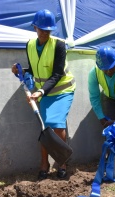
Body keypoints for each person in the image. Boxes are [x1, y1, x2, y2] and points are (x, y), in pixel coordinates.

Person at [11, 9, 76, 180]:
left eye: (48, 30)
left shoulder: (59, 45)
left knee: (57, 124)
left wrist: (39, 91)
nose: (45, 33)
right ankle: (44, 163)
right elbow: (33, 69)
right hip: (45, 94)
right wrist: (20, 71)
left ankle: (61, 163)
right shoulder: (30, 45)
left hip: (63, 90)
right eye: (42, 29)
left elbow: (57, 74)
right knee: (45, 126)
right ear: (35, 28)